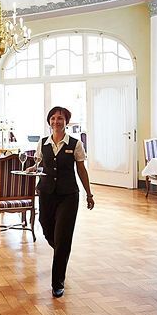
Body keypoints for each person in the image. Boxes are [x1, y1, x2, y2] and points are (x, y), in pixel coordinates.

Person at [30, 106, 94, 298]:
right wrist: (32, 169)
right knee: (46, 227)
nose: (56, 121)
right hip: (46, 193)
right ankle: (61, 250)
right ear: (49, 121)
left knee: (63, 237)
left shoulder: (75, 144)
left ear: (66, 122)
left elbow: (81, 170)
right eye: (53, 118)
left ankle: (58, 282)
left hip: (68, 195)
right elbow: (41, 164)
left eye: (60, 118)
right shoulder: (43, 143)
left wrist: (89, 194)